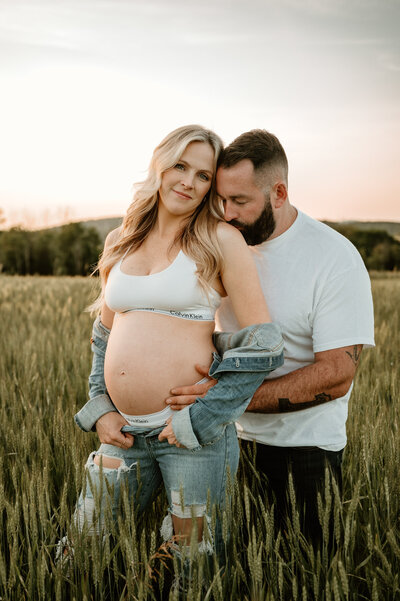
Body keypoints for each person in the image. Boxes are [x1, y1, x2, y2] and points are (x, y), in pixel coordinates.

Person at [72, 125, 284, 564]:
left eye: (203, 175)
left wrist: (205, 416)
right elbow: (104, 337)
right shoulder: (120, 241)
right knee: (81, 551)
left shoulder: (220, 240)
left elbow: (263, 344)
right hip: (123, 433)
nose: (188, 181)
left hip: (190, 435)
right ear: (160, 167)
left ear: (211, 187)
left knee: (193, 563)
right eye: (181, 166)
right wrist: (99, 407)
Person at [167, 129, 375, 542]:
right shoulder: (219, 245)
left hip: (305, 452)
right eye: (221, 200)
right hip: (220, 440)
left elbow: (336, 375)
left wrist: (220, 400)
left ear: (278, 192)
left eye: (240, 201)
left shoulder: (335, 259)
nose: (227, 213)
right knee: (228, 570)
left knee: (302, 572)